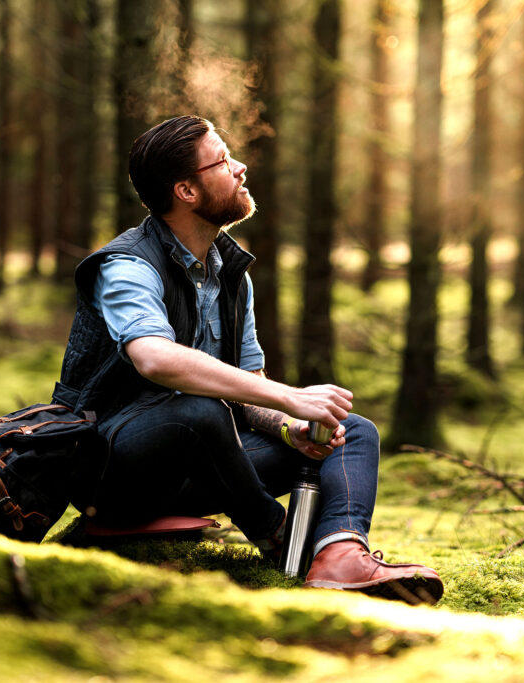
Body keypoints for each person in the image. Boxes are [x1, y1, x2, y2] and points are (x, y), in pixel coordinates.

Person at [52, 115, 443, 605]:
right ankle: (278, 539)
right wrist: (289, 397)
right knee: (200, 411)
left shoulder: (232, 274)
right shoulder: (127, 266)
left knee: (351, 429)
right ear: (187, 191)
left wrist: (288, 425)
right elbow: (154, 359)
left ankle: (339, 553)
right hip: (114, 471)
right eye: (221, 160)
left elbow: (248, 386)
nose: (239, 168)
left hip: (206, 469)